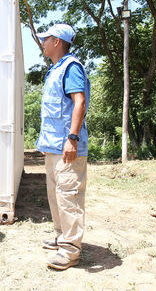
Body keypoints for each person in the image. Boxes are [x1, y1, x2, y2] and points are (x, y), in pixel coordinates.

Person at [35, 24, 91, 270]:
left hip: (67, 145)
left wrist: (72, 138)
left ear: (57, 41)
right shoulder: (55, 69)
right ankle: (61, 237)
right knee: (56, 195)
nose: (42, 43)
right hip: (53, 146)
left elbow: (80, 102)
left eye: (45, 39)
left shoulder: (71, 67)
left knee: (69, 197)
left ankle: (70, 250)